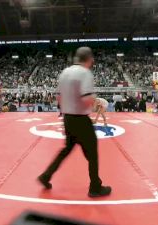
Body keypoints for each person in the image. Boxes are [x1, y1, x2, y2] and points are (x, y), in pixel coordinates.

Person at [38, 47, 111, 198]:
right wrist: (92, 102)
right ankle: (95, 187)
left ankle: (46, 175)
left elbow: (58, 97)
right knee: (92, 154)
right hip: (81, 119)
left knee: (66, 150)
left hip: (68, 118)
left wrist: (68, 107)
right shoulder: (85, 73)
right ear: (89, 59)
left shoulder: (65, 72)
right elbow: (86, 98)